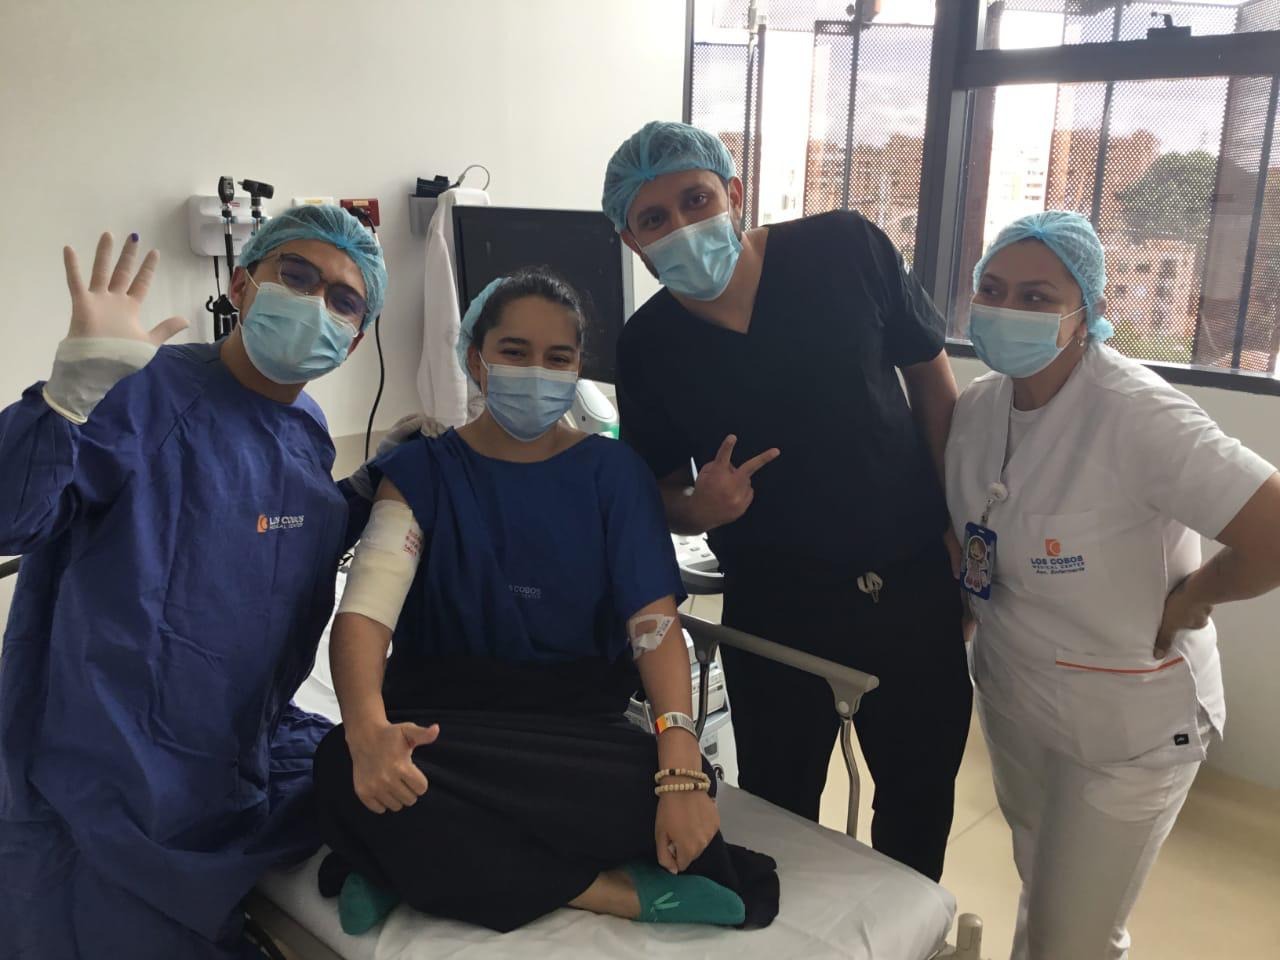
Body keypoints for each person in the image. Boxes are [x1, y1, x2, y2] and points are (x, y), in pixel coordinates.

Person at [313, 269, 778, 936]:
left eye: (558, 357)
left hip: (573, 734)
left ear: (578, 368)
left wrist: (678, 765)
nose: (537, 370)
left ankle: (398, 861)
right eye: (514, 351)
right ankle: (611, 891)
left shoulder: (615, 476)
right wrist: (367, 730)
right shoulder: (422, 472)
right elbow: (364, 616)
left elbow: (654, 626)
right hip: (439, 727)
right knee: (339, 762)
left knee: (668, 781)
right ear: (477, 360)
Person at [0, 205, 389, 959]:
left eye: (344, 300)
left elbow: (271, 538)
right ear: (242, 286)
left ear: (355, 339)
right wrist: (65, 399)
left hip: (230, 759)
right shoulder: (141, 391)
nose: (317, 305)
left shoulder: (307, 427)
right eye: (297, 276)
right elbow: (12, 517)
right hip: (103, 791)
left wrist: (371, 490)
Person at [602, 120, 971, 881]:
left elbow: (932, 381)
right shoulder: (646, 346)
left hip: (909, 582)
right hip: (777, 606)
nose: (682, 226)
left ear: (734, 193)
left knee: (918, 799)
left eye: (696, 199)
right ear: (633, 242)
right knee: (779, 810)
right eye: (654, 218)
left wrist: (954, 522)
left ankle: (910, 928)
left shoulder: (844, 248)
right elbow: (657, 495)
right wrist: (701, 509)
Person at [946, 210, 1280, 959]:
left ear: (1088, 310)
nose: (1006, 309)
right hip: (1017, 697)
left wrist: (1195, 598)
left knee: (1074, 936)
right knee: (1040, 882)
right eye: (992, 289)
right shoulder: (978, 407)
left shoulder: (1137, 413)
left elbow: (1274, 530)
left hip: (1126, 726)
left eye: (1037, 297)